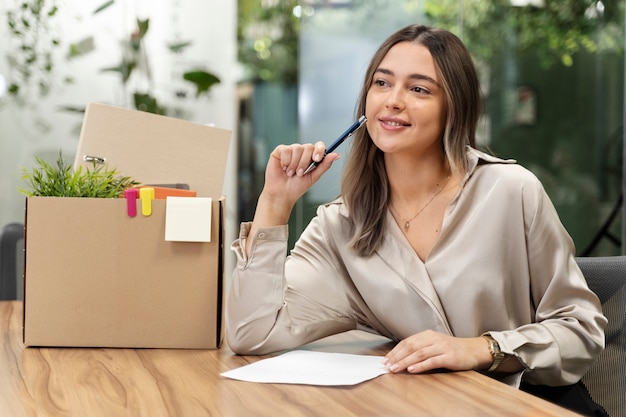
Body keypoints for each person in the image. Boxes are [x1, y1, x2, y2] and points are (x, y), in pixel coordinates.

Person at [225, 24, 607, 416]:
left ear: (453, 107)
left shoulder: (511, 191)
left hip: (523, 406)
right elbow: (253, 332)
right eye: (382, 83)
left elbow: (581, 331)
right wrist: (275, 202)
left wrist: (482, 348)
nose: (393, 101)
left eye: (419, 89)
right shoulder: (341, 225)